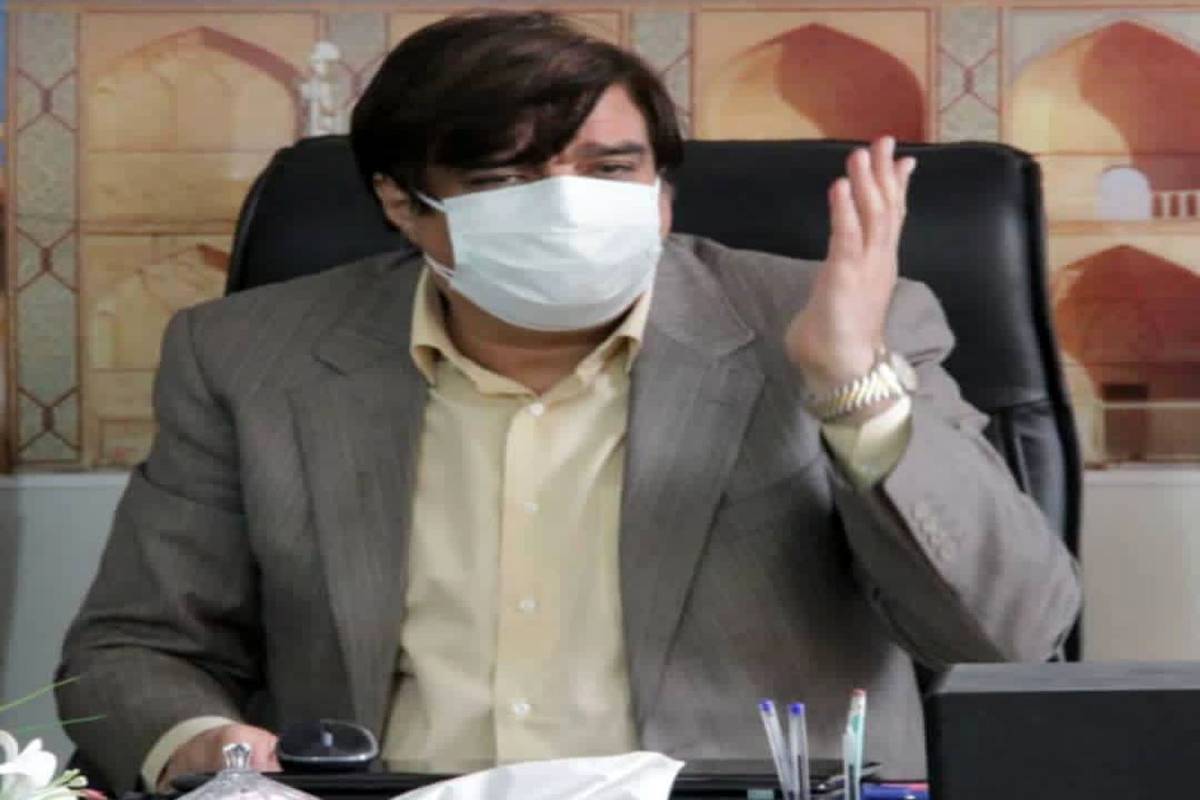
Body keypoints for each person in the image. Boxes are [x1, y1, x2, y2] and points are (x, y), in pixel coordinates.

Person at [57, 10, 1081, 794]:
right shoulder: (249, 355)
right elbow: (135, 648)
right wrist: (212, 749)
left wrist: (851, 381)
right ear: (402, 203)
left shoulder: (834, 321)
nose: (566, 206)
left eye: (608, 169)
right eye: (506, 178)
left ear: (663, 191)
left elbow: (1010, 635)